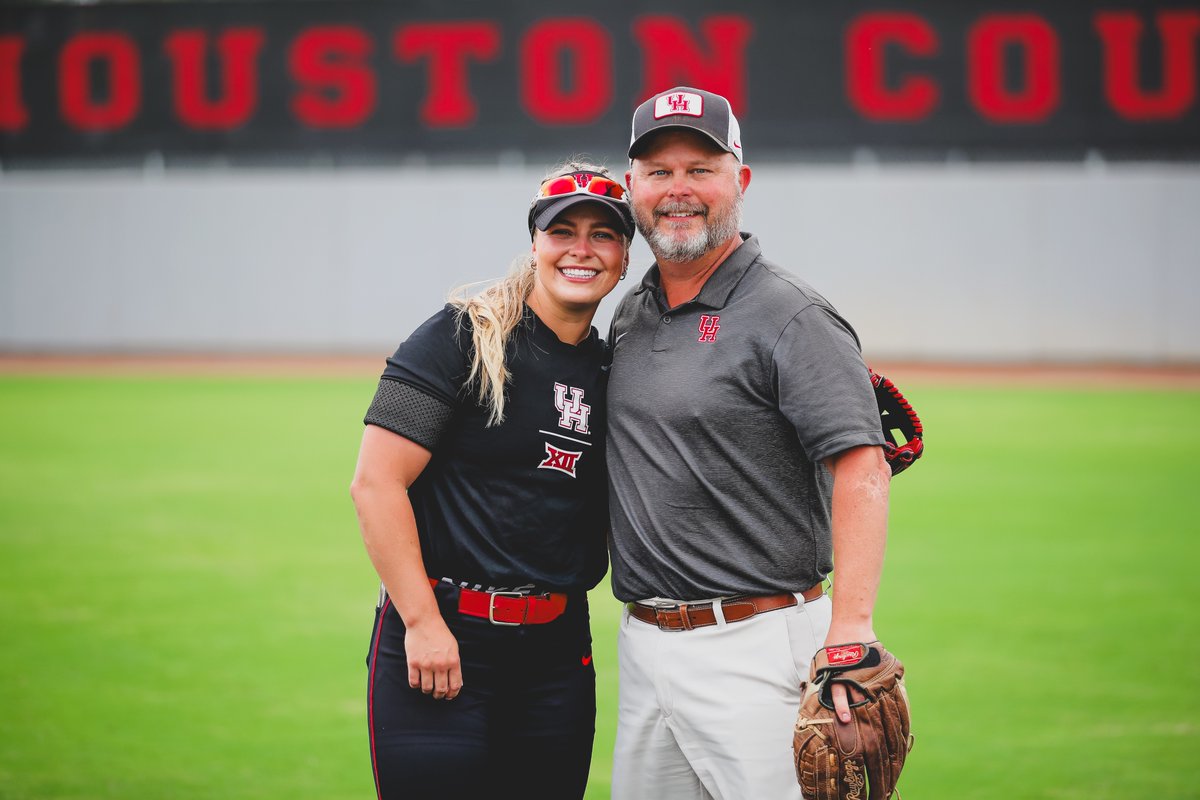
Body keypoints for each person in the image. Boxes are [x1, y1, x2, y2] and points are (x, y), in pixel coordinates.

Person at [605, 86, 892, 799]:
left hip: (759, 642)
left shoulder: (789, 314)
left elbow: (861, 467)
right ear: (631, 187)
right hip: (644, 643)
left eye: (700, 168)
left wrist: (850, 631)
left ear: (741, 179)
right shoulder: (632, 312)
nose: (679, 190)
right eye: (659, 171)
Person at [350, 160, 634, 799]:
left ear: (623, 256)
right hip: (443, 643)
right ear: (535, 243)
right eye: (563, 231)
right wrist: (422, 623)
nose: (581, 250)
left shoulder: (618, 367)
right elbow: (375, 484)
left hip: (558, 654)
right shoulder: (460, 337)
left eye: (603, 234)